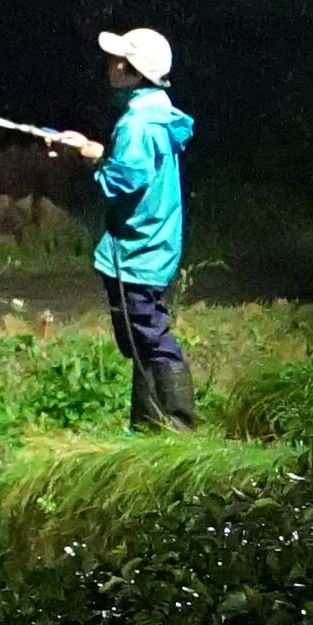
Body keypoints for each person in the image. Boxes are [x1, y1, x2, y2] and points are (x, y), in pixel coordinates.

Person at [50, 27, 198, 431]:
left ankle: (178, 425)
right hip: (156, 242)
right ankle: (148, 426)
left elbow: (120, 181)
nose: (112, 65)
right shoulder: (156, 111)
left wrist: (90, 162)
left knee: (149, 337)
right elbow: (135, 164)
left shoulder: (136, 124)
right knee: (141, 337)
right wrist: (92, 148)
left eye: (120, 61)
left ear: (135, 72)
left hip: (139, 248)